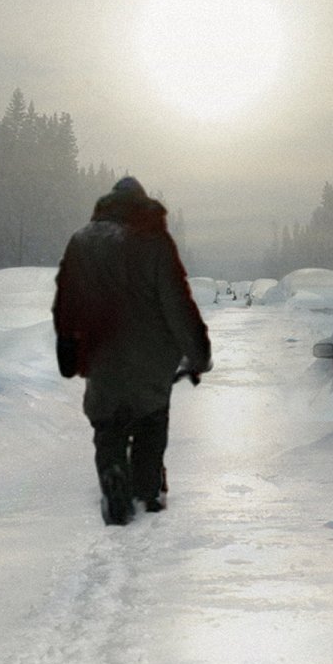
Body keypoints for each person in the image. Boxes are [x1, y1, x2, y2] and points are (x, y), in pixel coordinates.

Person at [52, 176, 212, 526]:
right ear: (141, 205)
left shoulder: (82, 241)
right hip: (152, 362)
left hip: (102, 357)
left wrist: (66, 343)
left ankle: (113, 476)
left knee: (107, 425)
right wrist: (198, 354)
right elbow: (176, 303)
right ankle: (148, 489)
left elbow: (67, 298)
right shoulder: (154, 241)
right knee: (150, 422)